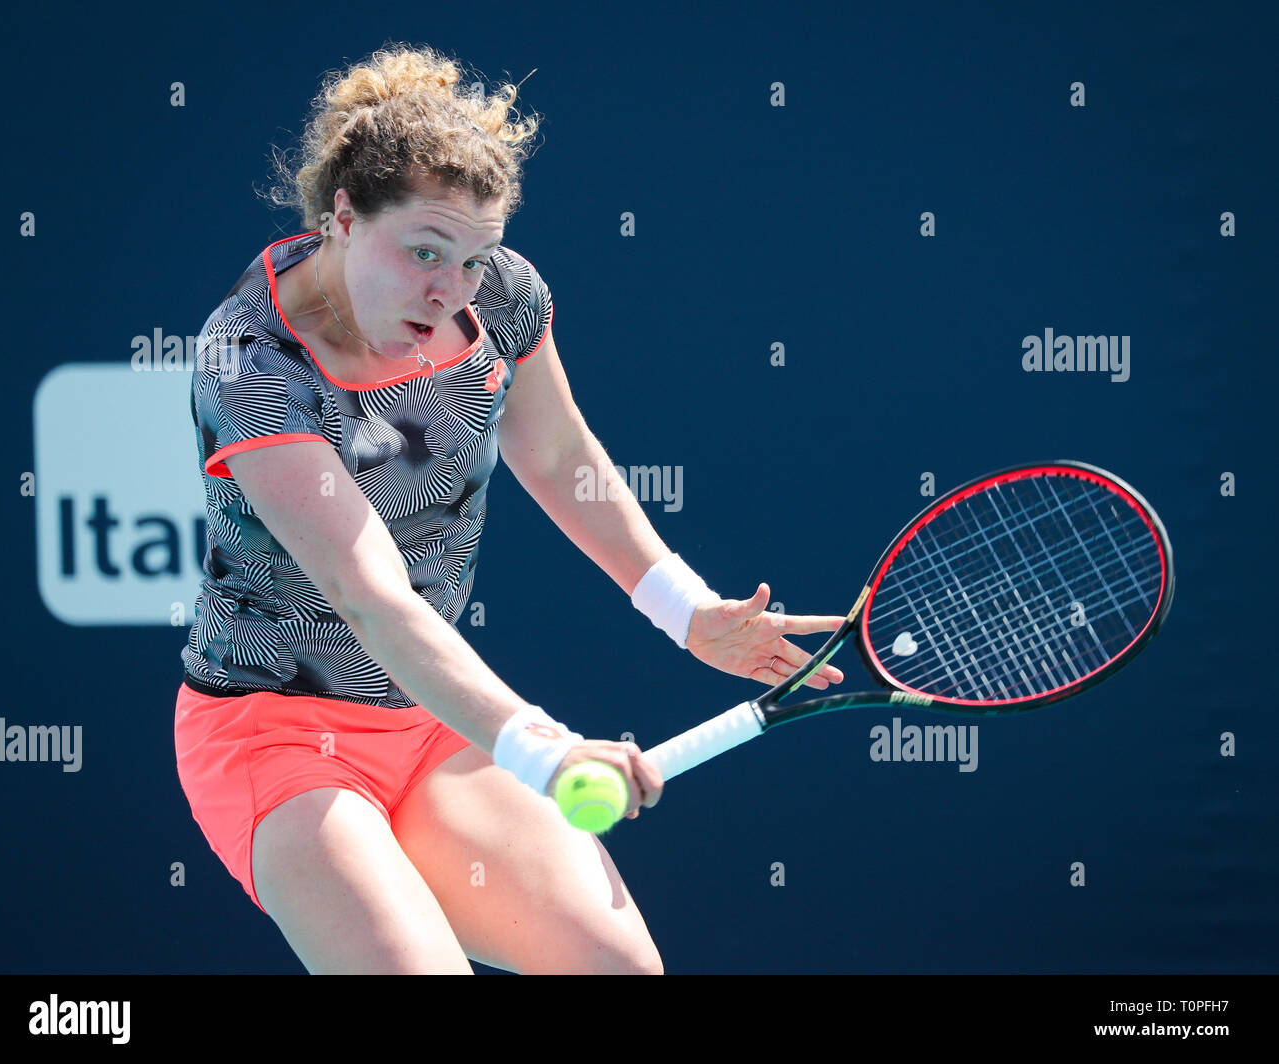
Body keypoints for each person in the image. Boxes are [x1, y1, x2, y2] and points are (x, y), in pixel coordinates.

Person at [173, 43, 846, 975]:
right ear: (343, 217)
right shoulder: (251, 362)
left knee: (618, 969)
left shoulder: (501, 300)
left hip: (432, 721)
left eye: (474, 259)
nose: (449, 290)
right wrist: (546, 751)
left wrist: (686, 610)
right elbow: (374, 598)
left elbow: (562, 459)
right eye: (423, 252)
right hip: (274, 732)